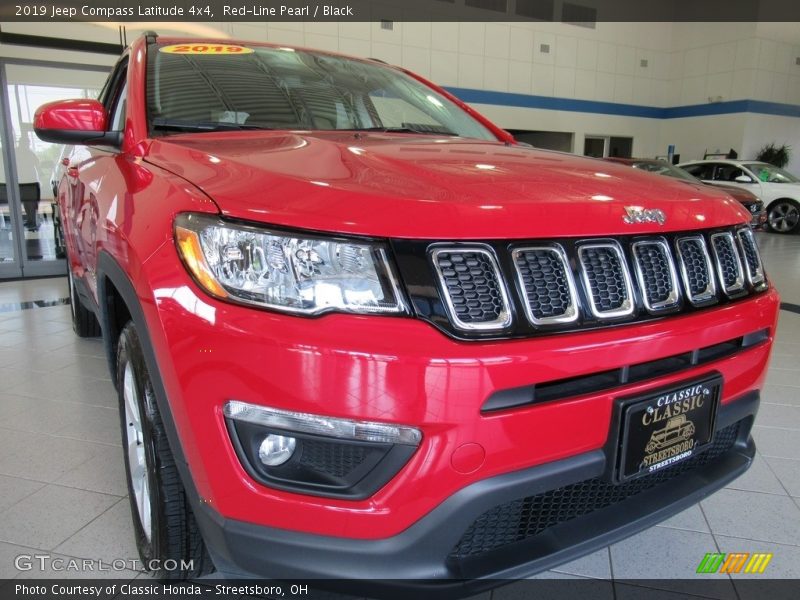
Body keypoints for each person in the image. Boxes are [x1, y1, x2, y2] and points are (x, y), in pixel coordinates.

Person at [15, 126, 42, 230]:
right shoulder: (19, 152)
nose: (27, 144)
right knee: (27, 203)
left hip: (30, 181)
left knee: (30, 203)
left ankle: (33, 221)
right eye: (26, 143)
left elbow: (37, 164)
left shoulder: (29, 153)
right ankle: (31, 221)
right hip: (24, 180)